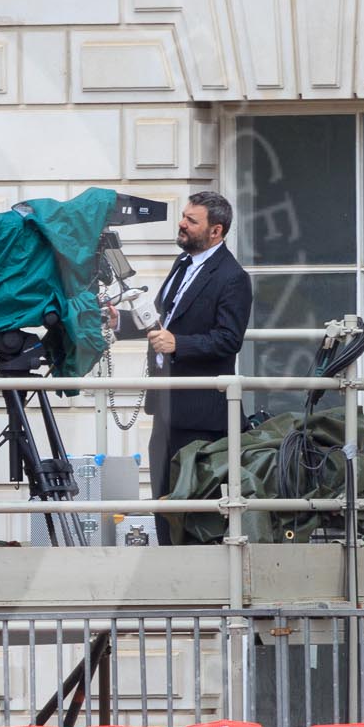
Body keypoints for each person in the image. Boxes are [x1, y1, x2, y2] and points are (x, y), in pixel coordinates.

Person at [144, 191, 253, 545]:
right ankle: (167, 576)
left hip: (201, 415)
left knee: (192, 507)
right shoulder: (182, 264)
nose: (182, 224)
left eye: (192, 220)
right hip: (166, 407)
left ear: (216, 231)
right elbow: (164, 319)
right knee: (162, 500)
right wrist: (121, 322)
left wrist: (180, 344)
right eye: (184, 216)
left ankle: (195, 587)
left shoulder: (233, 277)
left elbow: (228, 339)